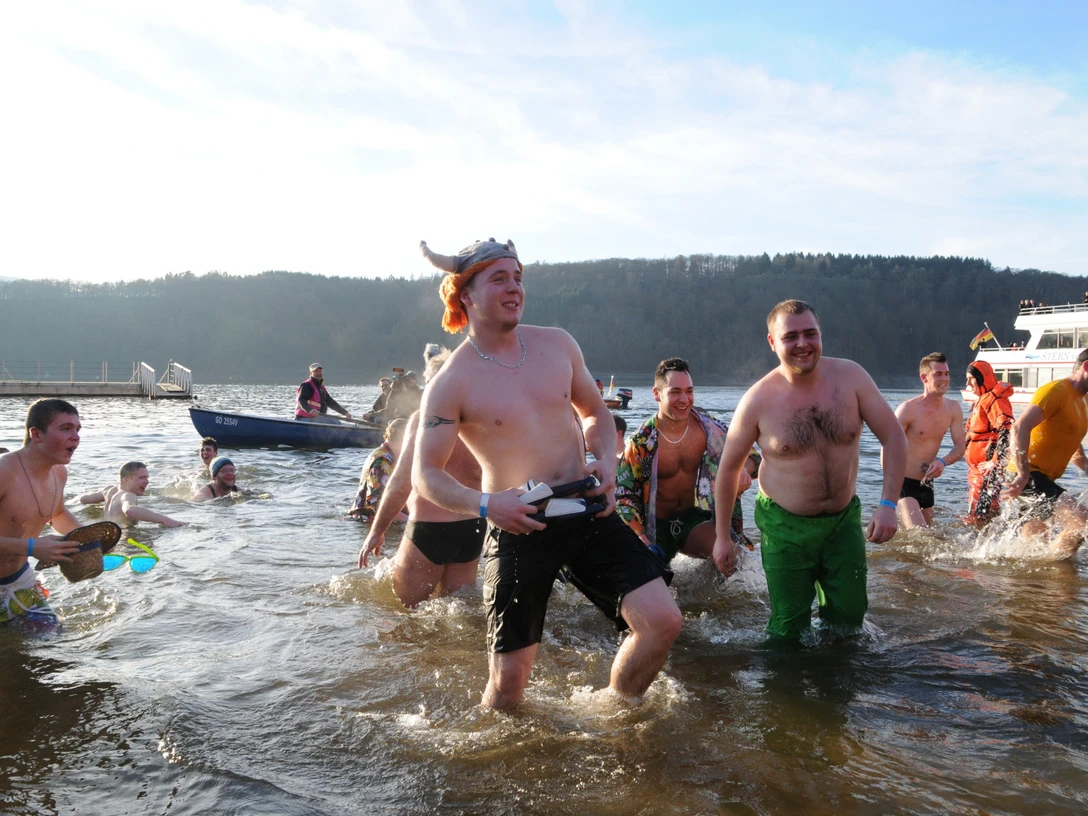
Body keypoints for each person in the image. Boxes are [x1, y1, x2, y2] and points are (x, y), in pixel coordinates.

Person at [414, 237, 680, 711]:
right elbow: (425, 476)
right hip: (520, 523)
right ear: (466, 295)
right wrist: (487, 505)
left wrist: (606, 462)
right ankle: (490, 769)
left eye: (518, 277)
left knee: (662, 622)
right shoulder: (451, 381)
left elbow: (596, 413)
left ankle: (617, 718)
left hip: (587, 508)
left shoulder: (557, 344)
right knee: (509, 686)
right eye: (499, 278)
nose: (514, 287)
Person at [712, 300, 907, 640]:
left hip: (843, 522)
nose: (802, 343)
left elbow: (894, 438)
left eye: (810, 334)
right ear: (772, 342)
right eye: (790, 336)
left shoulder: (852, 378)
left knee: (849, 621)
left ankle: (838, 686)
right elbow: (727, 471)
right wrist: (722, 537)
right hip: (784, 527)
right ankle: (784, 691)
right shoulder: (757, 400)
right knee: (788, 628)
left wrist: (888, 504)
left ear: (820, 335)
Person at [359, 346, 487, 606]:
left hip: (430, 528)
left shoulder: (425, 420)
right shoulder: (484, 422)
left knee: (405, 613)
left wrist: (377, 530)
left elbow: (401, 481)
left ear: (431, 383)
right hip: (472, 530)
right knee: (457, 609)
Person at [616, 357, 760, 567]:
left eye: (689, 391)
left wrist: (741, 470)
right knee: (649, 584)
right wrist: (641, 540)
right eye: (675, 392)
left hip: (693, 521)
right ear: (657, 394)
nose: (684, 399)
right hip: (653, 527)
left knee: (733, 558)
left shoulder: (710, 429)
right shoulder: (641, 443)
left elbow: (753, 456)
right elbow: (624, 497)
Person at [0, 399, 86, 625]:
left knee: (51, 646)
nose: (76, 436)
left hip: (20, 581)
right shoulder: (3, 472)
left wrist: (89, 540)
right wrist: (31, 547)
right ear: (36, 434)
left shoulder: (59, 473)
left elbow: (56, 514)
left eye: (77, 429)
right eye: (66, 428)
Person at [1003, 349, 1088, 557]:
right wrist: (1023, 474)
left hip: (1044, 478)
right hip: (1027, 475)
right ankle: (1057, 568)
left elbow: (1074, 447)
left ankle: (1035, 582)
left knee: (1033, 547)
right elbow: (1019, 427)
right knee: (1083, 523)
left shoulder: (1082, 401)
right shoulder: (1055, 391)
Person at [890, 353, 965, 528]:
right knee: (919, 535)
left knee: (927, 542)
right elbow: (889, 446)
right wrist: (890, 490)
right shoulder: (908, 409)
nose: (944, 378)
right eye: (938, 374)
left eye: (946, 373)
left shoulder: (953, 409)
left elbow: (961, 446)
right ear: (924, 377)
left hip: (927, 483)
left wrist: (942, 462)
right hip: (903, 482)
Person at [964, 361, 1015, 525]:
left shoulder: (995, 400)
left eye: (971, 379)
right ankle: (989, 542)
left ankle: (982, 546)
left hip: (986, 470)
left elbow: (1006, 430)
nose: (968, 384)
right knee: (983, 512)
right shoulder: (982, 399)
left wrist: (994, 462)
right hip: (978, 469)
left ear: (982, 378)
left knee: (979, 516)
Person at [79, 461, 183, 528]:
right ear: (126, 479)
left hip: (109, 533)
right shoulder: (128, 495)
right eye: (142, 478)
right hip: (123, 537)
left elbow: (84, 499)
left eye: (147, 477)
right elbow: (130, 510)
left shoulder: (109, 491)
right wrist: (165, 520)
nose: (147, 481)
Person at [348, 419, 409, 521]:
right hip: (369, 520)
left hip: (384, 518)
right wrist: (410, 522)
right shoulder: (382, 462)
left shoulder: (390, 455)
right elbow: (376, 503)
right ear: (403, 439)